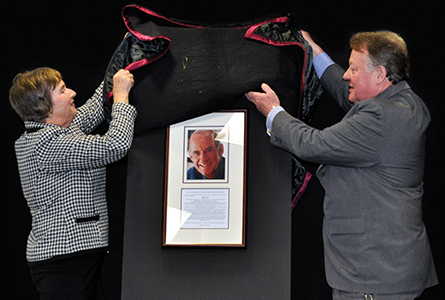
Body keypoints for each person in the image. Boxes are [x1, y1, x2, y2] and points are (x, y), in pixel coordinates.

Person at [245, 30, 438, 299]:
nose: (347, 75)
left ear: (380, 74)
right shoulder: (406, 104)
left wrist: (274, 112)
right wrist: (314, 51)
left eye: (354, 69)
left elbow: (311, 144)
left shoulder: (380, 117)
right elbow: (343, 89)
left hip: (373, 276)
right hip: (395, 269)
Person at [9, 67, 137, 299]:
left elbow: (96, 105)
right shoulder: (45, 144)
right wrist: (121, 99)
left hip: (75, 259)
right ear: (45, 107)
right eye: (62, 90)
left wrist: (124, 58)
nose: (73, 93)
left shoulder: (58, 129)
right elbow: (115, 144)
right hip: (64, 265)